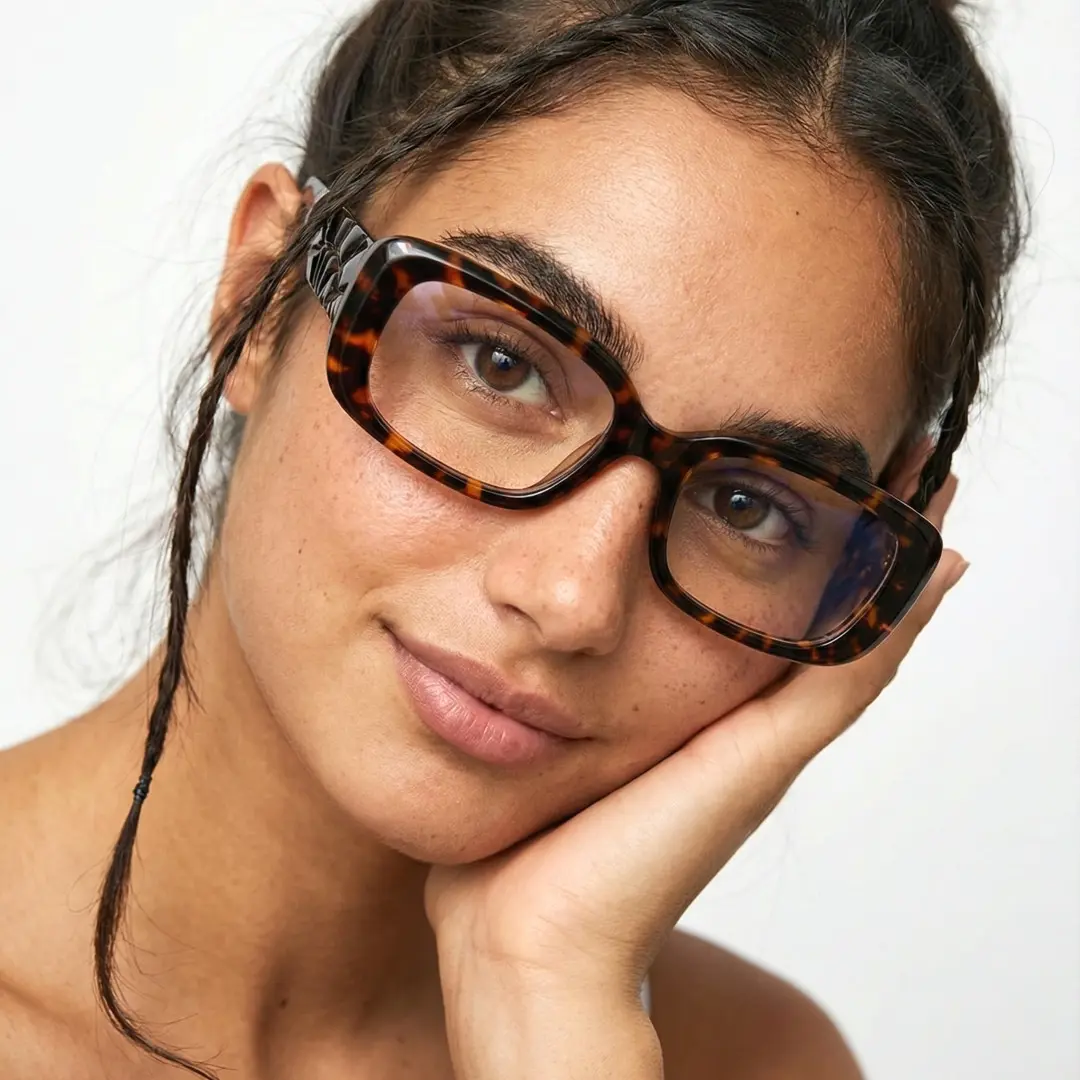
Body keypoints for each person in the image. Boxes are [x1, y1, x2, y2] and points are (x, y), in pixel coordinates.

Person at [0, 1, 1024, 1077]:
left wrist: (550, 1000)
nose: (575, 598)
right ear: (261, 298)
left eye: (748, 505)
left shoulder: (758, 1061)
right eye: (502, 364)